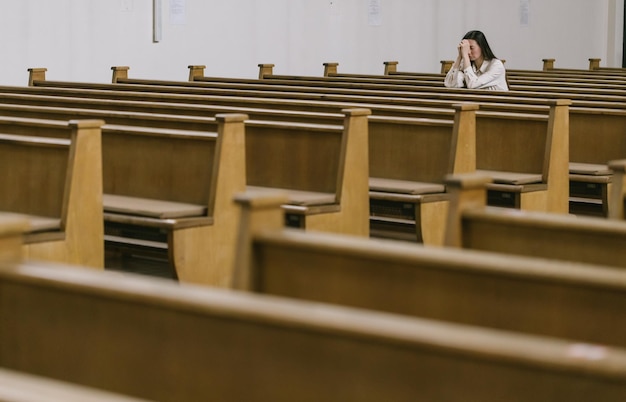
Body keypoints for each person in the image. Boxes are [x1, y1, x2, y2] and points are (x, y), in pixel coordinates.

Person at [444, 30, 509, 91]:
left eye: (471, 48)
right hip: (476, 101)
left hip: (497, 101)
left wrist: (465, 57)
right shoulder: (467, 63)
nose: (468, 52)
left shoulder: (496, 65)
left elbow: (472, 85)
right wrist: (460, 56)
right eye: (466, 48)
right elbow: (449, 84)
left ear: (482, 47)